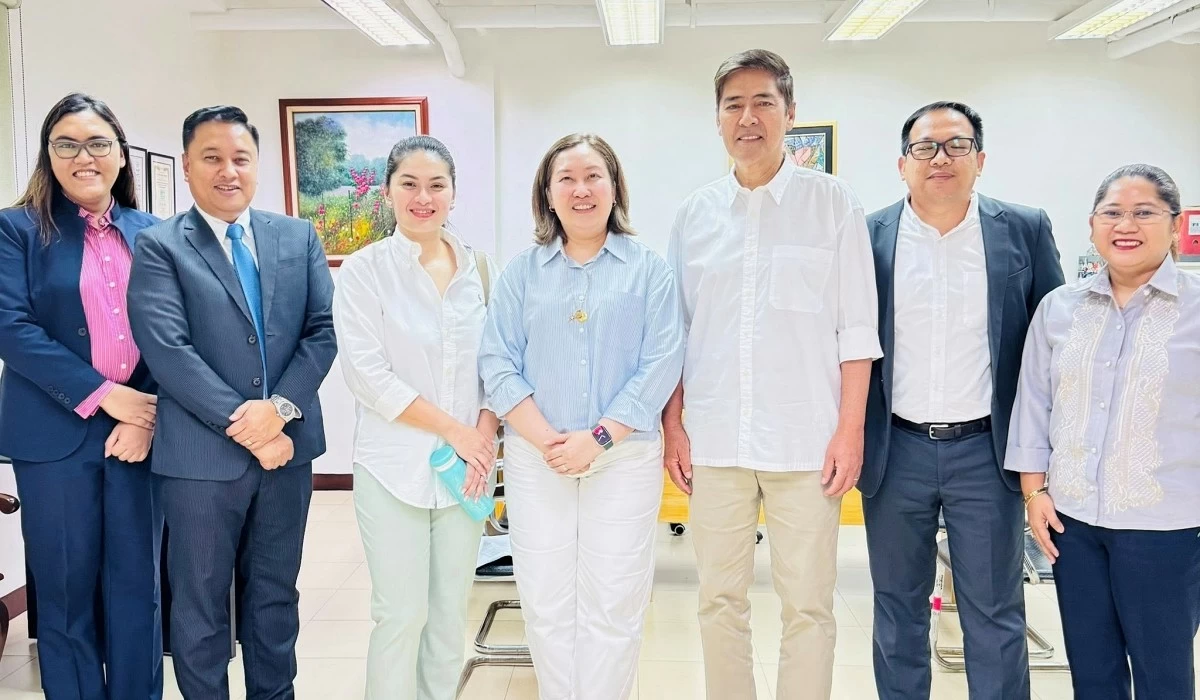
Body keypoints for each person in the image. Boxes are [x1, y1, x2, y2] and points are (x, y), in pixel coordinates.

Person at [662, 49, 881, 700]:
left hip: (806, 442)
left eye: (762, 102)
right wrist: (673, 425)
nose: (748, 117)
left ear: (790, 113)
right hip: (715, 439)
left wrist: (850, 432)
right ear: (717, 120)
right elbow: (674, 333)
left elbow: (858, 332)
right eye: (734, 105)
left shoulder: (834, 205)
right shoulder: (694, 216)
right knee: (718, 600)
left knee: (808, 606)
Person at [127, 105, 337, 700]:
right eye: (212, 158)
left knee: (275, 598)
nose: (228, 171)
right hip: (199, 460)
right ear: (188, 166)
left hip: (287, 455)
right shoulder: (161, 246)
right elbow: (169, 352)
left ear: (257, 166)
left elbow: (321, 332)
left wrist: (281, 412)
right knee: (199, 608)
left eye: (240, 158)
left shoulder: (296, 236)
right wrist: (251, 427)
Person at [859, 101, 1064, 700]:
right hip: (896, 449)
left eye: (956, 145)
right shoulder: (870, 236)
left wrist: (1044, 457)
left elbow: (1053, 339)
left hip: (987, 451)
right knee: (897, 609)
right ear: (903, 164)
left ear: (980, 159)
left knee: (995, 611)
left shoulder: (1023, 228)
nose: (940, 158)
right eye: (925, 147)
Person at [479, 133, 684, 700]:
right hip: (534, 457)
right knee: (545, 600)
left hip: (623, 456)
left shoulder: (650, 270)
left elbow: (662, 360)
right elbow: (496, 362)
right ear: (547, 193)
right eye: (566, 178)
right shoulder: (522, 273)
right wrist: (549, 441)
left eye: (594, 175)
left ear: (615, 186)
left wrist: (597, 438)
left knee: (614, 600)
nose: (581, 189)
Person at [1008, 164, 1199, 700]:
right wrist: (1034, 492)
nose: (1126, 225)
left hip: (1166, 529)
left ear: (1174, 223)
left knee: (1164, 676)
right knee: (1092, 671)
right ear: (1093, 225)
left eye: (1144, 213)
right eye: (1112, 213)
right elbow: (1033, 406)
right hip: (1073, 525)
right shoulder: (1060, 309)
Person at [0, 92, 163, 700]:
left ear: (120, 156)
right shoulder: (16, 229)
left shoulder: (156, 235)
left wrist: (145, 413)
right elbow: (10, 327)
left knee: (136, 587)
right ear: (48, 155)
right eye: (66, 143)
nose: (83, 156)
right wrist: (103, 394)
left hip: (138, 433)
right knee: (65, 594)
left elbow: (174, 335)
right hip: (54, 437)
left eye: (97, 143)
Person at [333, 135, 499, 699]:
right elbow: (368, 376)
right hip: (392, 467)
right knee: (401, 615)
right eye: (409, 183)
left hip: (466, 471)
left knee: (450, 616)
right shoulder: (363, 272)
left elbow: (498, 365)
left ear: (454, 193)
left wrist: (483, 432)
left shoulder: (480, 269)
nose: (423, 197)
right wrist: (455, 430)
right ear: (388, 192)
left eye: (436, 185)